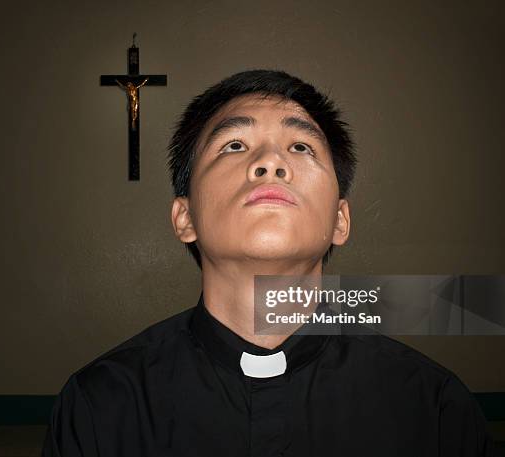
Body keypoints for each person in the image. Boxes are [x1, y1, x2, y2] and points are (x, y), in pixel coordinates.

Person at [42, 70, 494, 456]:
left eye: (300, 147)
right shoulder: (99, 406)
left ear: (341, 219)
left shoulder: (434, 410)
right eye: (235, 145)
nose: (270, 162)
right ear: (185, 217)